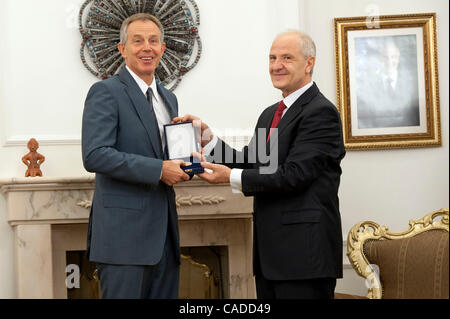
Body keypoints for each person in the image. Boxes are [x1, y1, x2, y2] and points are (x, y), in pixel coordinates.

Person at [174, 31, 346, 299]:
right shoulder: (271, 114)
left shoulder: (321, 112)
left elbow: (294, 175)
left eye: (287, 58)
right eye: (272, 58)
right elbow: (258, 163)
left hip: (304, 258)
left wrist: (230, 177)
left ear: (309, 63)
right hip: (271, 259)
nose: (277, 65)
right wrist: (207, 138)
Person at [81, 13, 190, 299]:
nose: (147, 48)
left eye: (154, 41)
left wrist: (189, 162)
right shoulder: (105, 92)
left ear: (163, 49)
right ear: (122, 49)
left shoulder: (169, 98)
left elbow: (167, 156)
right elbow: (95, 155)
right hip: (123, 242)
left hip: (165, 240)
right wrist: (159, 169)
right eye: (138, 41)